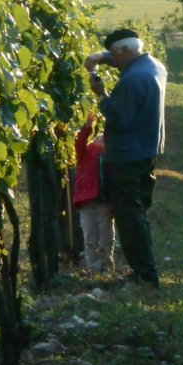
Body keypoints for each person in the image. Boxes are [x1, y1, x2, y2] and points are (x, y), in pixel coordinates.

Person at [85, 28, 167, 287]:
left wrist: (102, 95)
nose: (114, 61)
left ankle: (144, 275)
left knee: (128, 217)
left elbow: (119, 119)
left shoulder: (131, 81)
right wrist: (103, 57)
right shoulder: (154, 66)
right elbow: (125, 57)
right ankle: (146, 267)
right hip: (147, 149)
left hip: (126, 157)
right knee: (140, 212)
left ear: (124, 51)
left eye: (115, 56)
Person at [73, 111, 115, 275]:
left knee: (106, 237)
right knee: (90, 237)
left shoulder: (111, 156)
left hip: (105, 202)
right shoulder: (86, 152)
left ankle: (106, 267)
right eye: (99, 137)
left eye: (105, 139)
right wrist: (87, 128)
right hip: (86, 202)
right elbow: (79, 143)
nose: (101, 140)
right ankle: (93, 268)